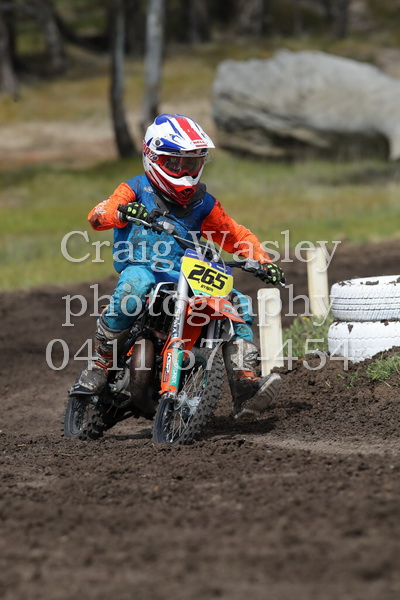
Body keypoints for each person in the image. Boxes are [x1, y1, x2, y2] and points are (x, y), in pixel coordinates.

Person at [76, 113, 285, 421]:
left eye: (192, 164)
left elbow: (235, 235)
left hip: (186, 274)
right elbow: (98, 215)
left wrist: (262, 261)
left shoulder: (203, 203)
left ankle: (244, 385)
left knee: (237, 304)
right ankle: (100, 363)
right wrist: (122, 212)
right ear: (153, 158)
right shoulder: (135, 189)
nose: (185, 173)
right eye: (176, 164)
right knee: (133, 287)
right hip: (142, 267)